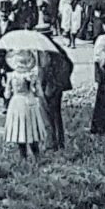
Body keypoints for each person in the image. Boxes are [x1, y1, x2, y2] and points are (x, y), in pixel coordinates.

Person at [2, 50, 50, 160]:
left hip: (17, 102)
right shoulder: (32, 75)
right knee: (32, 128)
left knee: (20, 128)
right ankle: (37, 156)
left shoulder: (12, 76)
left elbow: (7, 95)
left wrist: (7, 88)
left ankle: (22, 156)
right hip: (30, 101)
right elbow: (39, 93)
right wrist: (32, 87)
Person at [34, 19, 73, 151]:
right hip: (56, 87)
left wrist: (41, 85)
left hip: (47, 87)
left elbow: (44, 68)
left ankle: (51, 145)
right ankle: (59, 143)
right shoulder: (55, 46)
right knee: (56, 116)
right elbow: (69, 64)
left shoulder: (45, 49)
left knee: (47, 116)